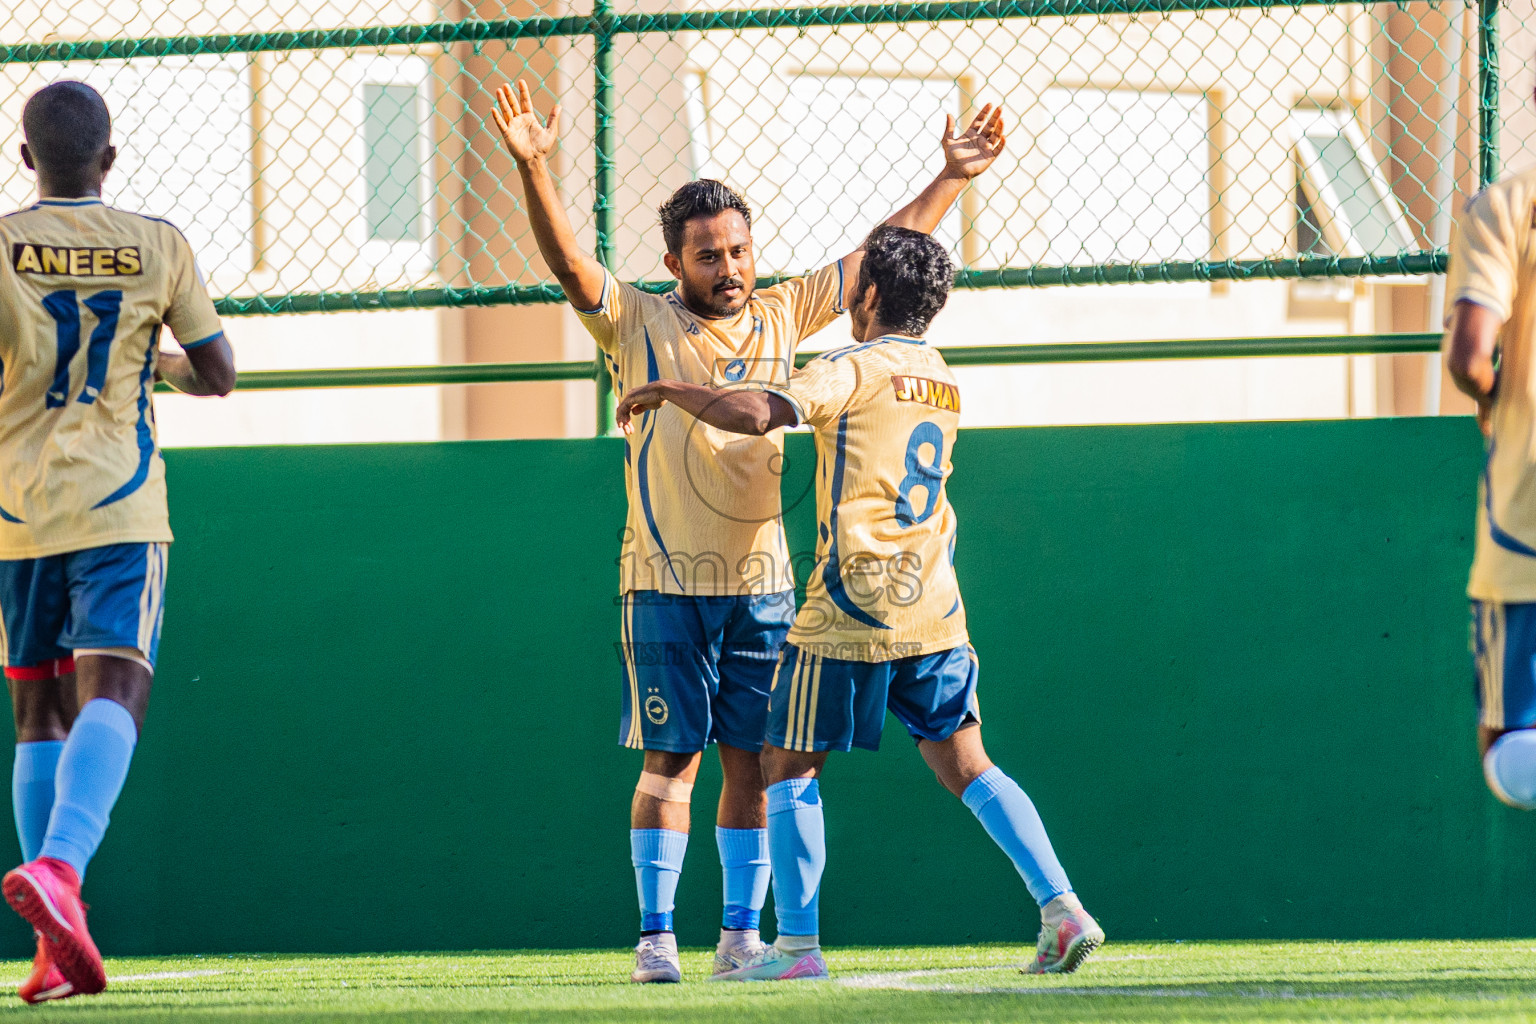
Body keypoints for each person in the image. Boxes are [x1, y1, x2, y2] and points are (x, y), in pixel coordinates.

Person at [488, 80, 1006, 981]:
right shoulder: (639, 321)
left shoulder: (781, 313)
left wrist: (950, 177)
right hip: (663, 579)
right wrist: (535, 166)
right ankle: (655, 939)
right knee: (668, 759)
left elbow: (876, 256)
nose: (729, 267)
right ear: (673, 262)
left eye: (738, 249)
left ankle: (738, 938)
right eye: (708, 255)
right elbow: (572, 268)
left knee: (756, 762)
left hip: (763, 587)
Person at [614, 224, 1104, 980]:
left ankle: (798, 950)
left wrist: (674, 388)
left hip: (849, 606)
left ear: (870, 295)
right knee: (968, 762)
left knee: (783, 763)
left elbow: (755, 413)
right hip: (934, 603)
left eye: (856, 283)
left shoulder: (848, 368)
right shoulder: (941, 374)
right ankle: (1062, 905)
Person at [0, 80, 237, 1002]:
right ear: (109, 157)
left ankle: (53, 949)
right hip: (120, 504)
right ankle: (61, 870)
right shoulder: (157, 243)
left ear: (27, 159)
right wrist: (155, 363)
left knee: (38, 712)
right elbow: (218, 374)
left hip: (18, 511)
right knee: (119, 687)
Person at [1444, 113, 1536, 812]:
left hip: (1523, 528)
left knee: (1511, 749)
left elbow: (1471, 357)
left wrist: (1494, 395)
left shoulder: (1507, 205)